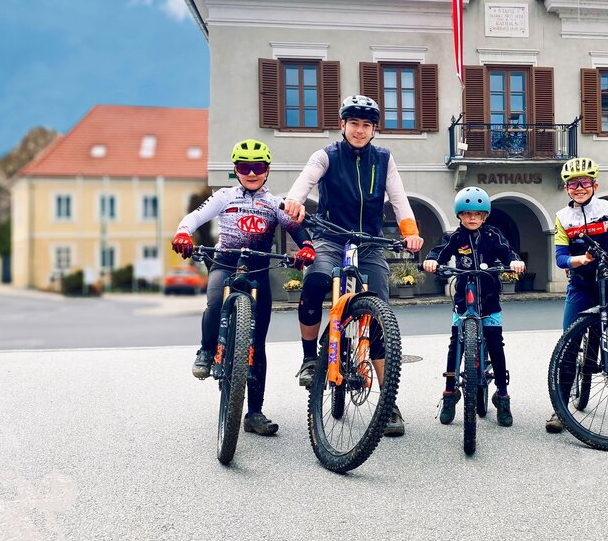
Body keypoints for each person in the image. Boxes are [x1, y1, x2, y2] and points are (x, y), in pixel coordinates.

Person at [283, 95, 424, 437]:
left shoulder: (383, 159)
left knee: (379, 314)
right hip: (331, 238)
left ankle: (388, 402)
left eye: (367, 125)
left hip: (370, 241)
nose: (360, 131)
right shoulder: (326, 155)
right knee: (315, 280)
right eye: (354, 124)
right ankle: (310, 358)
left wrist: (410, 232)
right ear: (343, 125)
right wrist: (294, 201)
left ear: (374, 130)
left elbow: (398, 199)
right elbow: (304, 181)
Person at [171, 139, 316, 436]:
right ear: (235, 169)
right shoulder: (224, 196)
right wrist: (183, 233)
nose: (251, 173)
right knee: (214, 303)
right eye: (244, 166)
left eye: (258, 167)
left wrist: (307, 247)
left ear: (267, 170)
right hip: (225, 263)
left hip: (259, 269)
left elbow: (295, 228)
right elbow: (195, 217)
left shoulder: (274, 202)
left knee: (257, 344)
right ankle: (206, 350)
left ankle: (254, 413)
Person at [544, 157, 608, 434]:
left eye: (584, 182)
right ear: (566, 188)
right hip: (580, 284)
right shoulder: (562, 218)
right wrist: (580, 260)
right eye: (573, 184)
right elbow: (560, 258)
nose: (579, 188)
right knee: (569, 343)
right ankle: (561, 409)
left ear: (595, 185)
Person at [422, 187, 526, 427]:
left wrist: (514, 261)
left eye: (477, 214)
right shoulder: (455, 237)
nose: (472, 218)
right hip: (463, 302)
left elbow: (507, 252)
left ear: (484, 216)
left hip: (489, 301)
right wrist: (432, 261)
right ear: (459, 215)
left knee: (496, 345)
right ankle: (449, 393)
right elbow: (439, 252)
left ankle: (502, 395)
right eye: (467, 213)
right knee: (454, 346)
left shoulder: (493, 235)